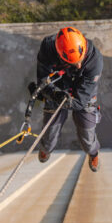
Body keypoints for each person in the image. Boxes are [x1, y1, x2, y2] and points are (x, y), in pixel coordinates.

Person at [31, 26, 103, 171]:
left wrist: (67, 101)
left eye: (80, 60)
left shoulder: (95, 60)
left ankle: (93, 152)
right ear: (59, 54)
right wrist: (53, 94)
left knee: (87, 132)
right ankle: (47, 148)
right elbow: (43, 79)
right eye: (73, 63)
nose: (79, 65)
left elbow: (81, 101)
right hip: (59, 86)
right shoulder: (48, 48)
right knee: (51, 129)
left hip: (83, 91)